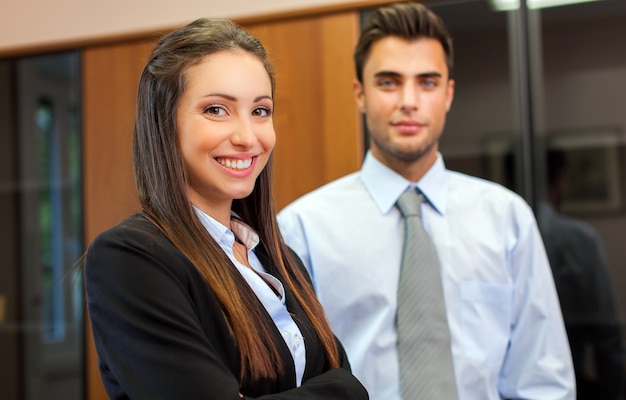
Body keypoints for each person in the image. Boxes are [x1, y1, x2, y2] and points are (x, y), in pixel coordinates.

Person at [277, 2, 575, 399]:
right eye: (388, 82)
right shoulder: (301, 229)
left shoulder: (507, 218)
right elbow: (293, 376)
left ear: (449, 94)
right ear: (360, 94)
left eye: (427, 82)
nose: (409, 101)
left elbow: (542, 379)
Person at [84, 18, 368, 400]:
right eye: (217, 109)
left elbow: (339, 369)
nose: (247, 137)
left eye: (260, 111)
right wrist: (344, 391)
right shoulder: (132, 259)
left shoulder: (276, 259)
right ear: (164, 122)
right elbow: (348, 383)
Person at [537, 148, 624, 399]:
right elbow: (607, 335)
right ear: (558, 177)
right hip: (570, 381)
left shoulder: (490, 239)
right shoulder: (579, 239)